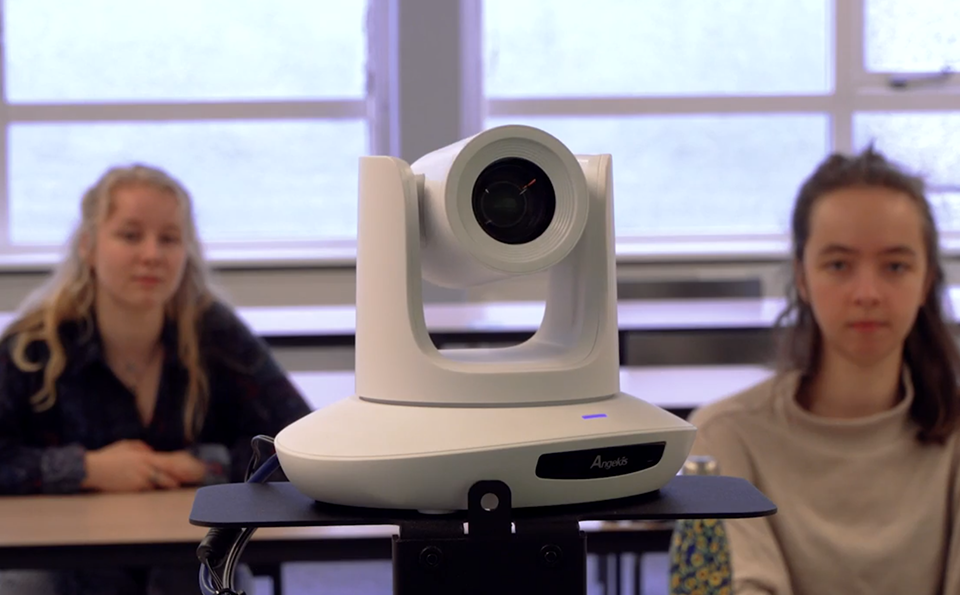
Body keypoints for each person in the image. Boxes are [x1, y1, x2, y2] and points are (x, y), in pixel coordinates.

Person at [0, 163, 313, 594]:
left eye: (169, 239)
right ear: (88, 246)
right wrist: (86, 469)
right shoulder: (34, 345)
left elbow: (299, 443)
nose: (152, 254)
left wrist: (200, 464)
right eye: (130, 235)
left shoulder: (214, 333)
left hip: (187, 557)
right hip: (66, 564)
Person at [687, 145, 960, 595]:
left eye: (895, 265)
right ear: (802, 278)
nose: (867, 293)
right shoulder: (723, 436)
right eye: (838, 265)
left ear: (926, 280)